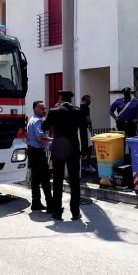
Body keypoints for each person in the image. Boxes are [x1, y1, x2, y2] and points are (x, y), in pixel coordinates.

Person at [42, 90, 89, 221]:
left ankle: (57, 212)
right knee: (74, 181)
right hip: (73, 149)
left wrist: (52, 112)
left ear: (61, 98)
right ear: (71, 99)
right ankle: (75, 212)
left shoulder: (54, 111)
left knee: (57, 181)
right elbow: (84, 133)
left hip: (58, 149)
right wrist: (84, 151)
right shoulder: (78, 111)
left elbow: (44, 126)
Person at [27, 101, 53, 212]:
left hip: (33, 151)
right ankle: (51, 206)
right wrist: (54, 140)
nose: (44, 110)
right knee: (45, 179)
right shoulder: (37, 121)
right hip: (37, 152)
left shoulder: (34, 120)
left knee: (36, 179)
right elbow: (40, 138)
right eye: (42, 108)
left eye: (45, 108)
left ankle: (36, 203)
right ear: (35, 109)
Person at [80, 95, 96, 173]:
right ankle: (87, 165)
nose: (90, 102)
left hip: (80, 130)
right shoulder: (86, 108)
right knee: (89, 147)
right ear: (85, 100)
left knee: (82, 147)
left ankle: (83, 165)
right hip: (85, 129)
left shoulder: (78, 107)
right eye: (88, 100)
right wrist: (91, 126)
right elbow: (88, 119)